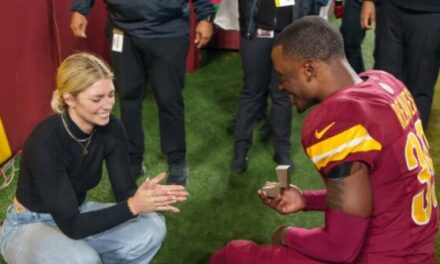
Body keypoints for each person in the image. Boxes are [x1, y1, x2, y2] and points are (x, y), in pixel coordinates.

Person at [211, 16, 438, 263]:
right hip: (418, 249)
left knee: (234, 254)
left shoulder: (338, 121)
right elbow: (375, 190)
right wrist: (306, 199)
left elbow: (340, 249)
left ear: (309, 69)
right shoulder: (386, 84)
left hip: (383, 257)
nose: (280, 86)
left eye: (283, 75)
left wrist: (286, 235)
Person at [0, 53, 188, 264]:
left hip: (76, 213)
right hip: (28, 224)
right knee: (83, 260)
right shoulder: (45, 141)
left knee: (153, 227)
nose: (107, 105)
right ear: (69, 99)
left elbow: (125, 193)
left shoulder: (112, 128)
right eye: (96, 99)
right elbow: (73, 226)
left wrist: (145, 197)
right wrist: (133, 206)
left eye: (110, 94)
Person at [70, 0, 216, 185]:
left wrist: (205, 17)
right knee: (127, 98)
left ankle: (176, 161)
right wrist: (80, 9)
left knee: (169, 99)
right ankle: (133, 160)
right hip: (122, 29)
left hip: (167, 31)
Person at [231, 0, 319, 173]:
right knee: (252, 92)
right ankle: (240, 152)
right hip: (256, 31)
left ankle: (282, 151)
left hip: (290, 36)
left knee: (283, 94)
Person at [361, 0, 440, 129]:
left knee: (419, 87)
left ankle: (411, 145)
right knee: (383, 84)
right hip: (391, 8)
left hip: (430, 12)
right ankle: (382, 142)